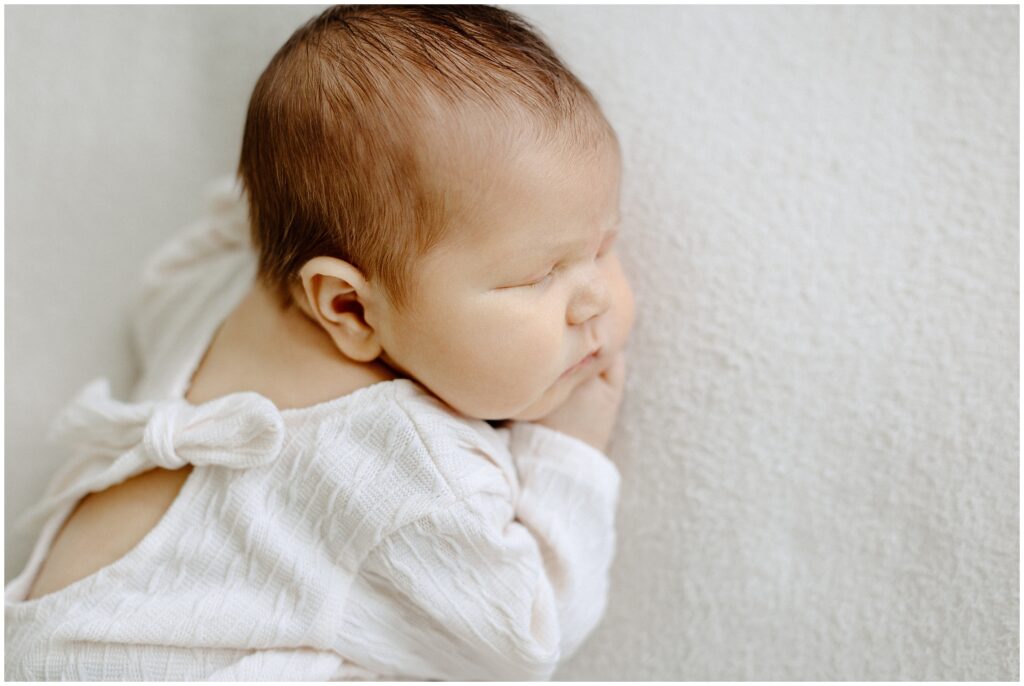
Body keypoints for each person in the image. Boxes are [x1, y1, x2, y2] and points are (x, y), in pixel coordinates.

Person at [5, 5, 636, 680]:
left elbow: (181, 270)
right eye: (535, 277)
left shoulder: (217, 294)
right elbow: (521, 638)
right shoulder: (411, 476)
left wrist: (314, 196)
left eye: (604, 244)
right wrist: (566, 453)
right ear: (347, 306)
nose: (594, 297)